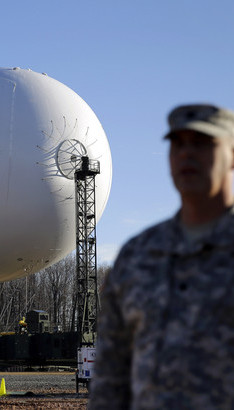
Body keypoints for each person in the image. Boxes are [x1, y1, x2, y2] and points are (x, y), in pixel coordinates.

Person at [88, 104, 234, 409]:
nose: (186, 153)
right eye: (177, 143)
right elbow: (111, 379)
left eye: (202, 143)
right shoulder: (137, 256)